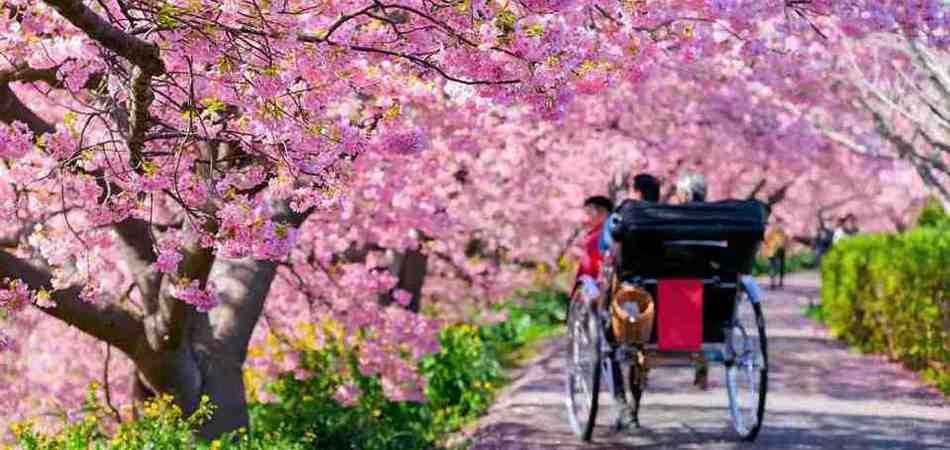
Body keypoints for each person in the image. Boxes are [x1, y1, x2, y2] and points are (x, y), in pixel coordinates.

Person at [672, 171, 711, 389]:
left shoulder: (671, 218)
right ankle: (701, 362)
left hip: (674, 285)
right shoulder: (719, 218)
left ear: (685, 194)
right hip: (713, 286)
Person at [573, 195, 614, 289]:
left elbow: (604, 262)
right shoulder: (595, 233)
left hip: (594, 287)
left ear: (603, 214)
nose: (585, 218)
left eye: (589, 213)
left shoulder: (604, 235)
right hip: (587, 285)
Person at [763, 217, 789, 289]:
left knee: (780, 267)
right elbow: (766, 240)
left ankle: (779, 282)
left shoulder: (783, 231)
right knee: (775, 267)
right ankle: (773, 283)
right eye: (778, 223)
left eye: (781, 223)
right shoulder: (772, 231)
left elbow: (787, 240)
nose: (780, 225)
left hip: (781, 250)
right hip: (773, 251)